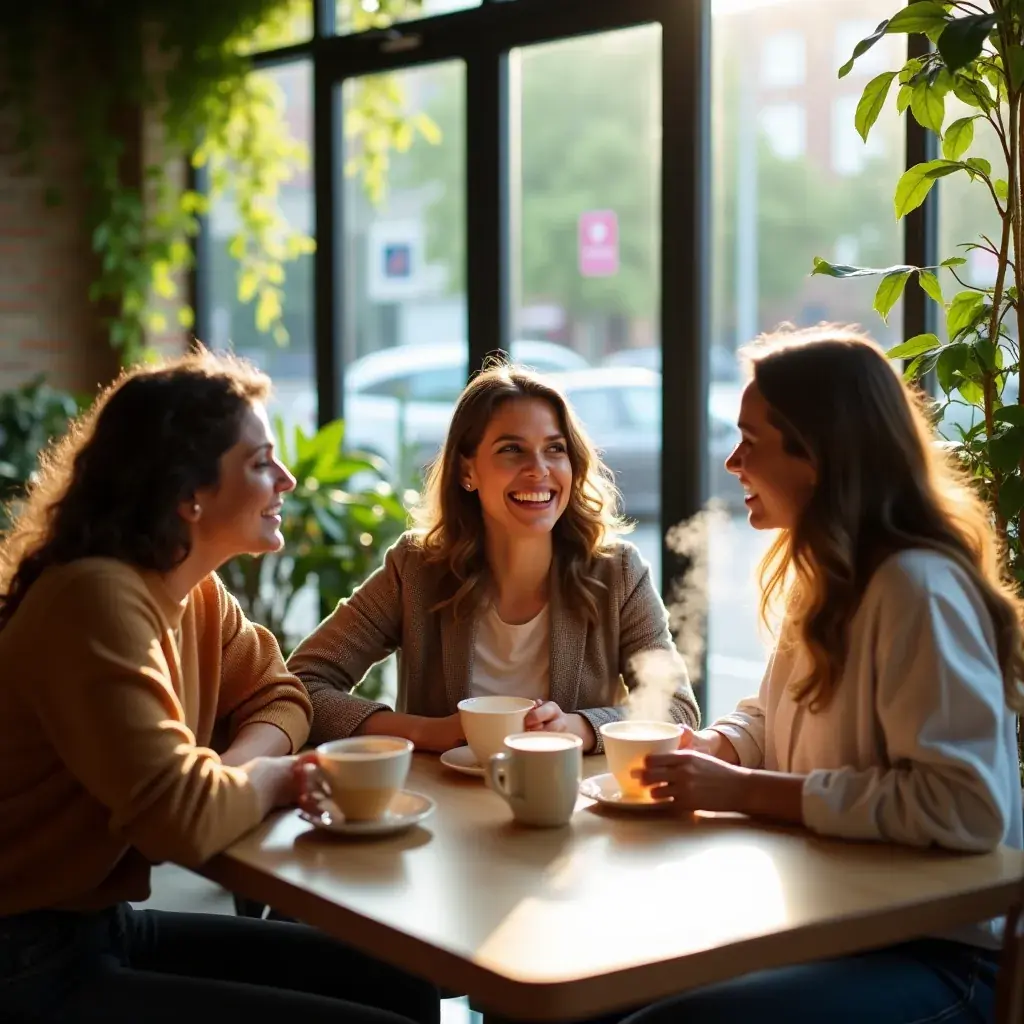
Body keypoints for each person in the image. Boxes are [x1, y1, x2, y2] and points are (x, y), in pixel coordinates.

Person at [0, 350, 438, 1024]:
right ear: (188, 494)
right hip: (24, 957)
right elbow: (183, 823)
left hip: (94, 926)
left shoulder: (190, 590)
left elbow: (282, 696)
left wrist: (231, 775)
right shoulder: (95, 599)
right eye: (261, 463)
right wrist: (274, 779)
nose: (288, 479)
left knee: (402, 982)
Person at [622, 325, 1024, 1024]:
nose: (732, 462)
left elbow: (965, 807)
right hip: (835, 924)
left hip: (943, 955)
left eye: (751, 441)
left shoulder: (915, 589)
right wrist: (723, 747)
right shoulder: (828, 576)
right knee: (608, 985)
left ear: (816, 457)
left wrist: (744, 790)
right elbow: (775, 711)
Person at [289, 361, 699, 755]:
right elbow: (301, 685)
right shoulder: (414, 569)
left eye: (555, 449)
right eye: (512, 450)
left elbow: (677, 710)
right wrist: (428, 732)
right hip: (440, 797)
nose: (538, 469)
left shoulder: (617, 572)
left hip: (567, 797)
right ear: (467, 471)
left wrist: (578, 728)